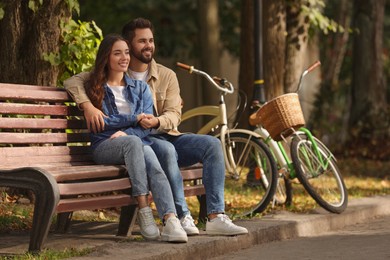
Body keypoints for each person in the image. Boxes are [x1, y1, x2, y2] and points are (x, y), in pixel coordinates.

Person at [64, 18, 248, 236]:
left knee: (212, 144)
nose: (148, 45)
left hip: (164, 134)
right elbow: (74, 81)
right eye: (142, 41)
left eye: (151, 40)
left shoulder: (166, 75)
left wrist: (157, 121)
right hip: (141, 141)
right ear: (128, 45)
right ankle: (180, 216)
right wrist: (87, 106)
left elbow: (174, 114)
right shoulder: (116, 70)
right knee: (162, 150)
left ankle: (216, 216)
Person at [83, 33, 187, 243]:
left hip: (135, 143)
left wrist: (129, 130)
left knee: (151, 160)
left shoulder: (141, 88)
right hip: (105, 145)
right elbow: (104, 123)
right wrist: (133, 118)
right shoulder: (95, 87)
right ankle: (144, 209)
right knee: (135, 143)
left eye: (127, 52)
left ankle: (170, 219)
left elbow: (147, 126)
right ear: (106, 58)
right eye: (117, 53)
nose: (125, 57)